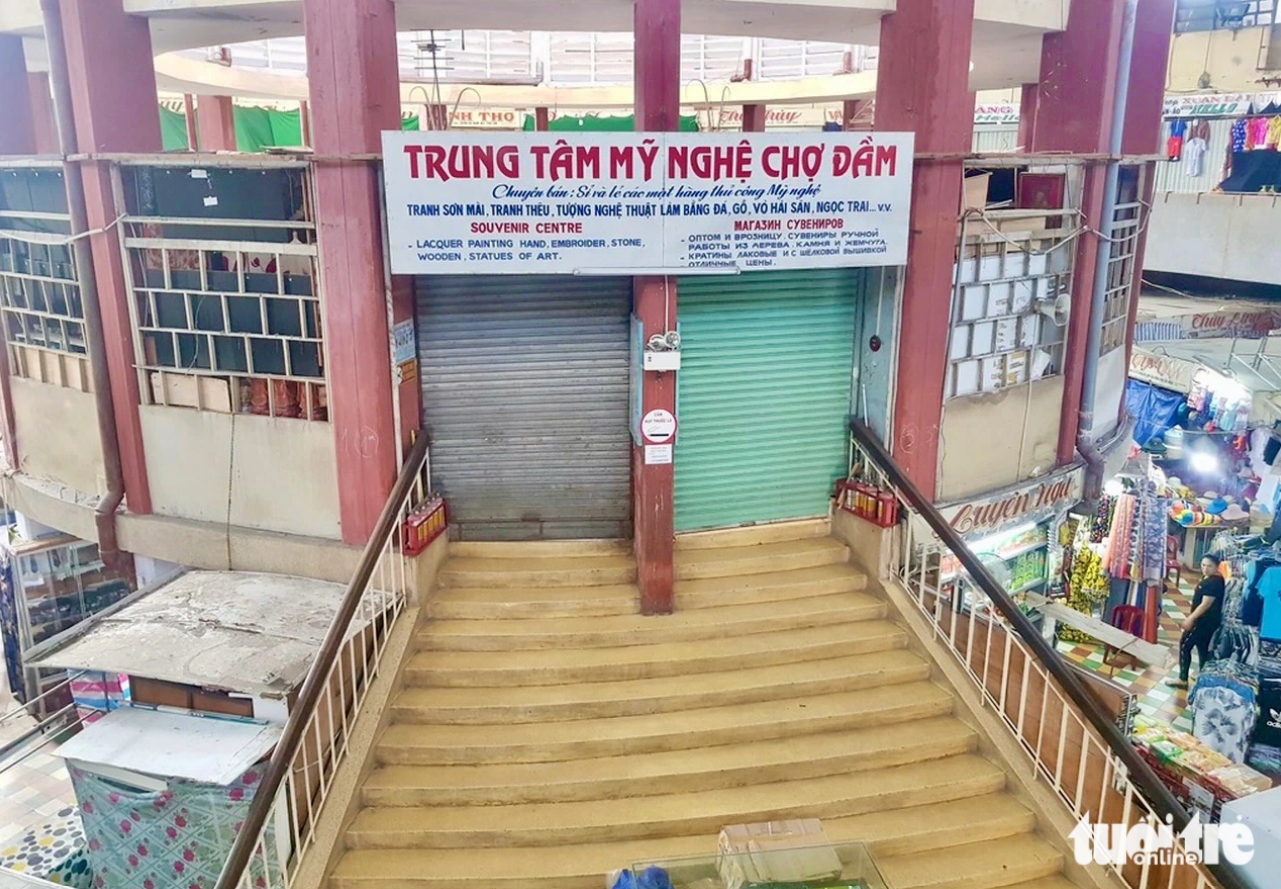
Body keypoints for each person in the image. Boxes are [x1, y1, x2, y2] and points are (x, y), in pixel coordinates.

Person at [1167, 554, 1226, 688]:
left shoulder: (1212, 583)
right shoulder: (1213, 579)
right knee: (1202, 648)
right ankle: (1203, 676)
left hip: (1202, 622)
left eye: (1209, 566)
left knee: (1185, 645)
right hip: (1209, 623)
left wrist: (1190, 619)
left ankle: (1183, 679)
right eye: (1203, 565)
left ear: (1216, 567)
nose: (1205, 569)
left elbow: (1205, 604)